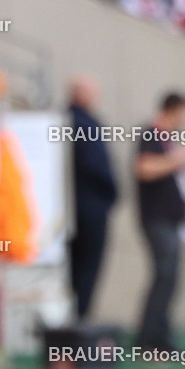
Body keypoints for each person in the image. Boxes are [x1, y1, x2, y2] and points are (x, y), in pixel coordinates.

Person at [134, 92, 185, 353]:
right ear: (174, 109)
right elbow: (146, 169)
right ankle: (150, 339)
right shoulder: (151, 134)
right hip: (157, 219)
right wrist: (180, 159)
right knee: (164, 275)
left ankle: (160, 335)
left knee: (170, 278)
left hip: (173, 219)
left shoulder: (168, 139)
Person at [67, 76, 117, 320]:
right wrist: (112, 192)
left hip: (73, 208)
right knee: (86, 267)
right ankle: (80, 320)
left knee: (74, 268)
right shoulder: (83, 123)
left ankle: (73, 320)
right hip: (89, 208)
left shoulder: (66, 120)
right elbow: (95, 165)